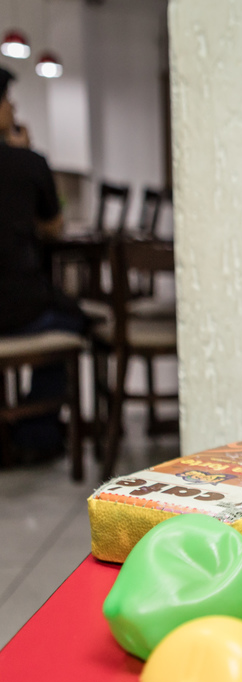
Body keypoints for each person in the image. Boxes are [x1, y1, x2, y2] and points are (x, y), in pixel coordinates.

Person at [0, 66, 85, 463]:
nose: (13, 108)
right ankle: (36, 431)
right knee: (75, 318)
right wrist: (24, 153)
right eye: (7, 101)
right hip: (19, 307)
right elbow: (53, 228)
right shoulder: (28, 163)